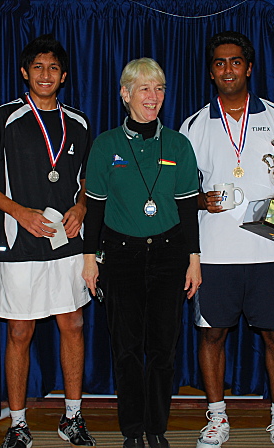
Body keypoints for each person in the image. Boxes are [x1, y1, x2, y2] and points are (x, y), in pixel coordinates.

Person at [179, 31, 274, 448]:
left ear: (249, 67)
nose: (228, 70)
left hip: (270, 248)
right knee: (212, 335)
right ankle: (217, 417)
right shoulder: (194, 125)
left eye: (235, 62)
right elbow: (179, 193)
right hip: (215, 253)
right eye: (219, 63)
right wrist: (201, 200)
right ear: (211, 72)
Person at [0, 34, 96, 448]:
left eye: (53, 68)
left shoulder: (79, 122)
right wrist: (19, 212)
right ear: (25, 72)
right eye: (38, 67)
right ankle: (18, 424)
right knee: (20, 332)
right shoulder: (4, 117)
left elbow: (87, 180)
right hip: (19, 243)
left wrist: (81, 207)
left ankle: (72, 417)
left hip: (67, 243)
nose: (45, 74)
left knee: (72, 325)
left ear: (64, 76)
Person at [82, 58, 201, 448]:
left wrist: (194, 259)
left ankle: (156, 428)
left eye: (159, 89)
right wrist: (89, 258)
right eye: (145, 89)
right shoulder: (106, 145)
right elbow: (94, 208)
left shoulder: (179, 145)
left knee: (163, 350)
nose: (153, 97)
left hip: (169, 257)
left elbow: (188, 209)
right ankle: (133, 431)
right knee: (127, 350)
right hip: (121, 257)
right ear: (125, 94)